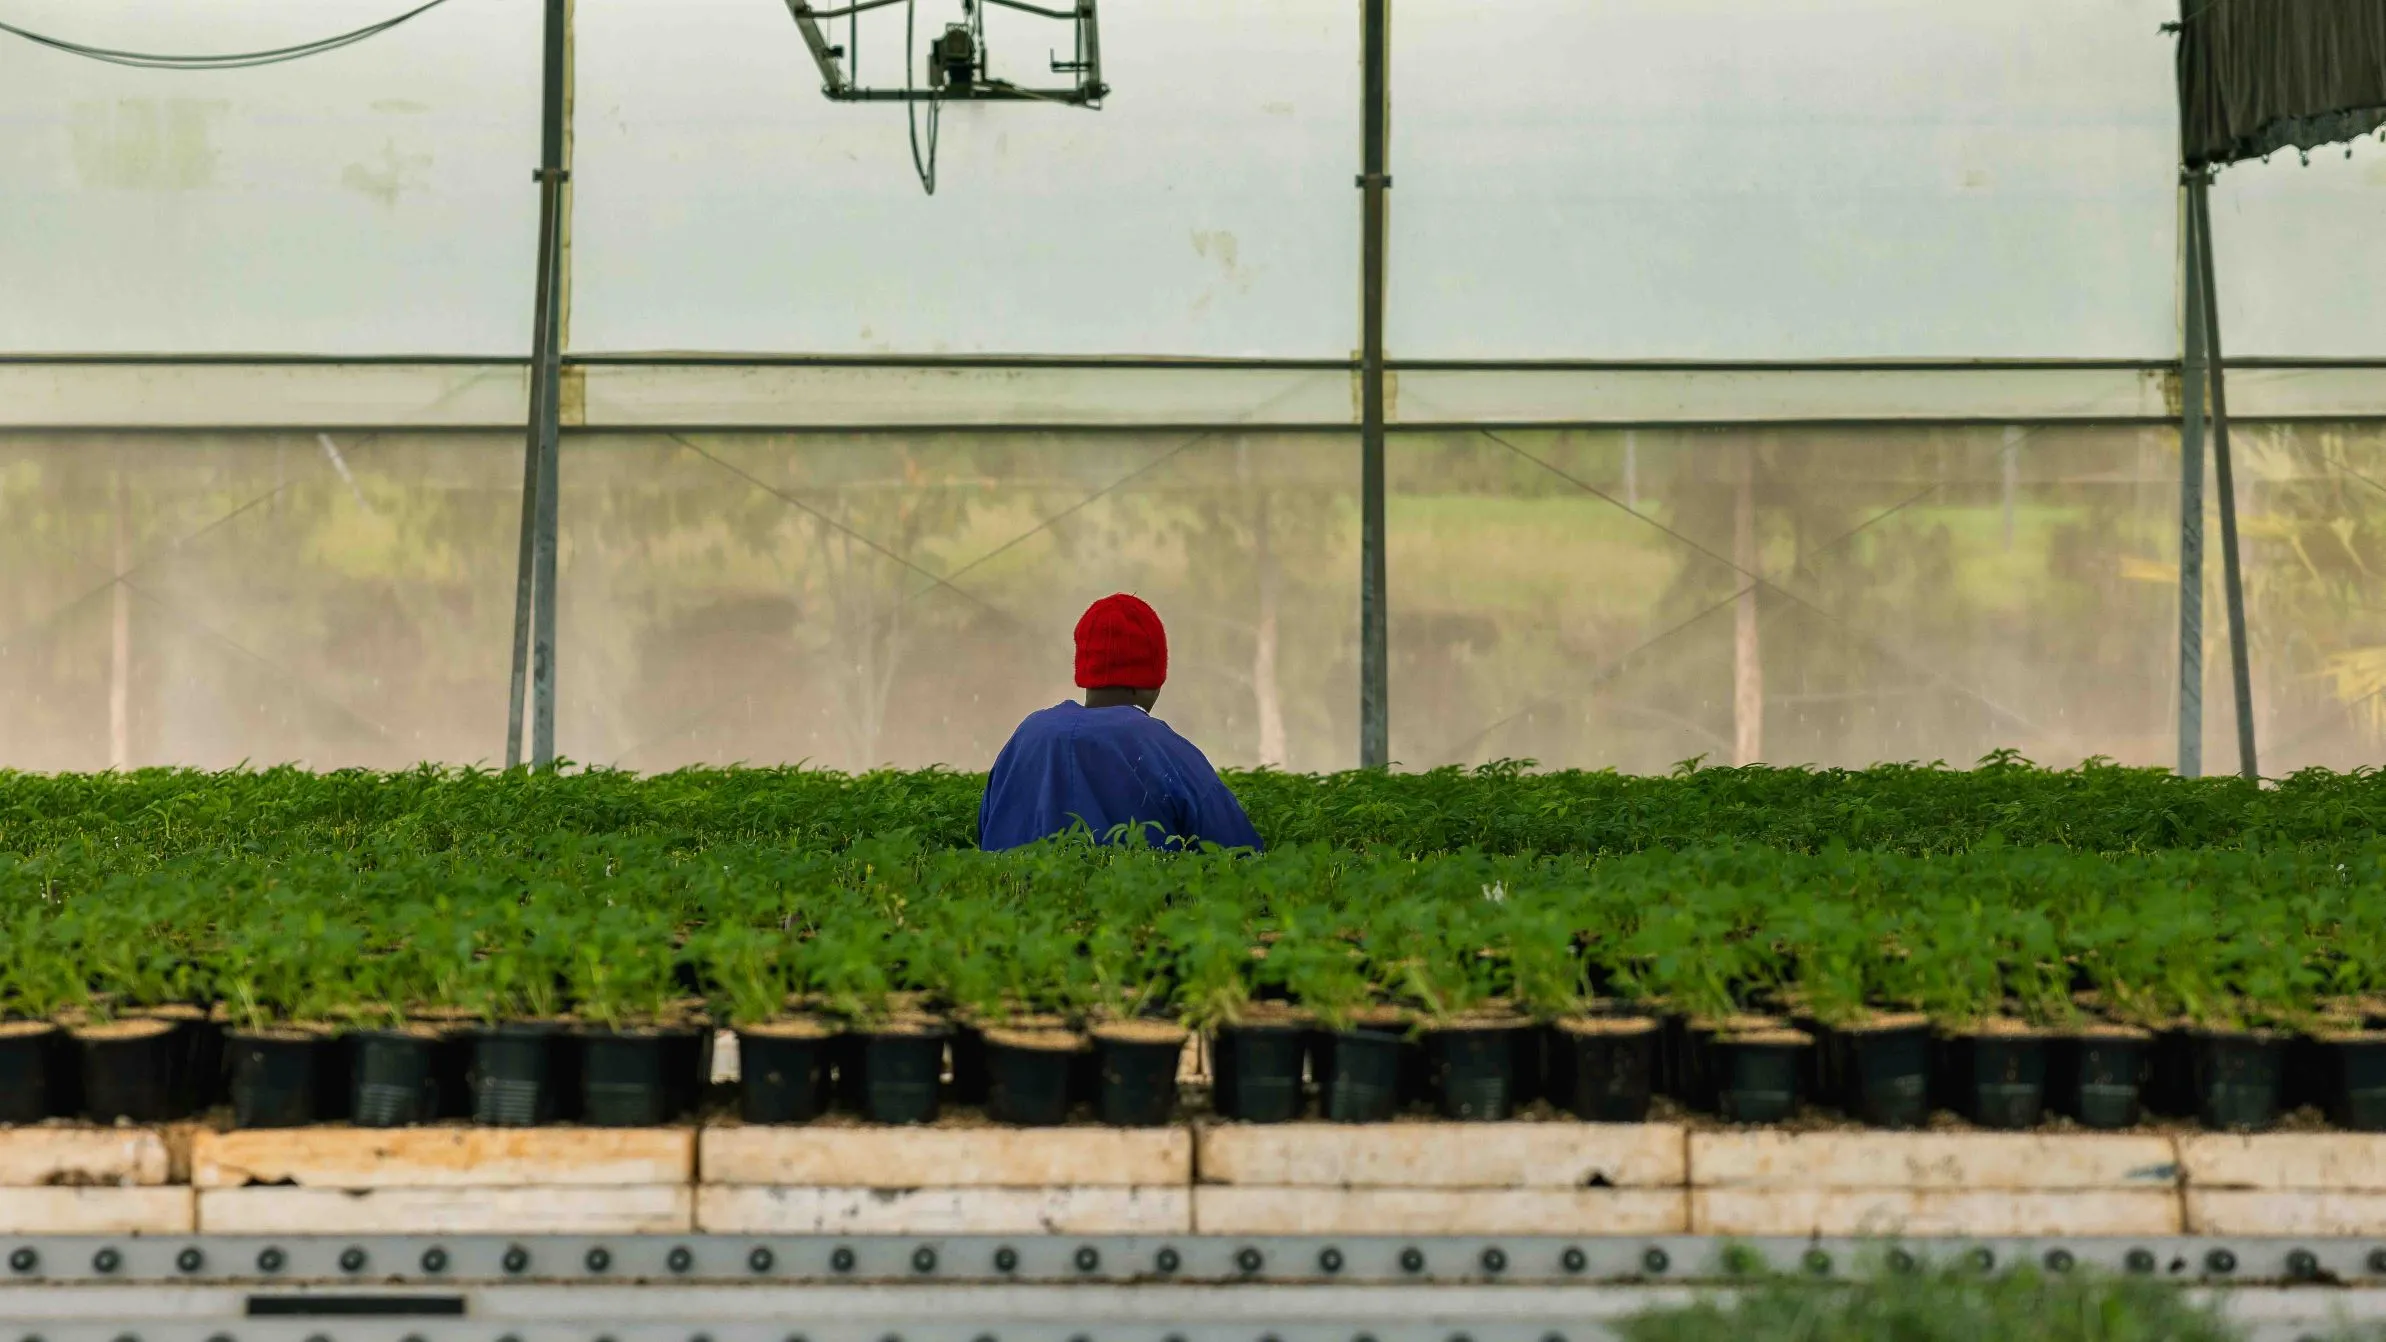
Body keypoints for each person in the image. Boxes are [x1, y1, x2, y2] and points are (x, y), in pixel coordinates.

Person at [978, 594, 1263, 852]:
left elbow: (985, 831)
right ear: (1150, 680)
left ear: (1086, 672)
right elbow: (1240, 853)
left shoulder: (1027, 736)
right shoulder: (1165, 748)